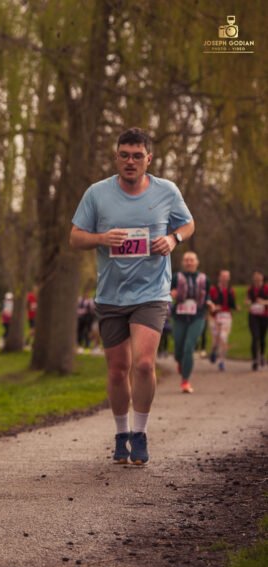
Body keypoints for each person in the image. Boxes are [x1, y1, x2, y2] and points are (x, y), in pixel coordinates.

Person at [70, 127, 194, 467]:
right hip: (111, 294)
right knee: (117, 369)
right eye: (124, 154)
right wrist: (101, 239)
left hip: (152, 293)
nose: (130, 161)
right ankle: (121, 433)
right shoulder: (97, 194)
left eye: (137, 155)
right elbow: (75, 238)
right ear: (116, 157)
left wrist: (173, 240)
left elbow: (188, 224)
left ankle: (140, 433)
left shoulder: (167, 191)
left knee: (142, 363)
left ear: (148, 159)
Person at [171, 252, 211, 392]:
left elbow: (207, 296)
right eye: (186, 260)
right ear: (183, 262)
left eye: (191, 260)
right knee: (178, 349)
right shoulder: (176, 277)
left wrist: (209, 303)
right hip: (179, 316)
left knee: (189, 346)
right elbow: (167, 290)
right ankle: (180, 361)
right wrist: (171, 293)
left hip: (197, 316)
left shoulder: (204, 278)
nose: (189, 262)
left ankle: (185, 381)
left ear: (197, 262)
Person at [207, 269, 238, 371]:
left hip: (226, 316)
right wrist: (214, 307)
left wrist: (236, 307)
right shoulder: (213, 290)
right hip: (214, 317)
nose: (225, 278)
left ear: (229, 278)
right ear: (219, 277)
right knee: (216, 340)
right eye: (223, 276)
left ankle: (221, 361)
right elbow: (208, 303)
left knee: (223, 338)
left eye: (227, 276)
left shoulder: (231, 290)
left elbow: (232, 303)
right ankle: (213, 351)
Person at [245, 270, 268, 371]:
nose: (257, 278)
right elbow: (247, 299)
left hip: (264, 316)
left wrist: (263, 302)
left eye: (259, 276)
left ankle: (262, 354)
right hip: (253, 316)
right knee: (255, 337)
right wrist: (247, 302)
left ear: (262, 277)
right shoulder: (250, 289)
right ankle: (254, 360)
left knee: (262, 338)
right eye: (255, 276)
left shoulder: (266, 288)